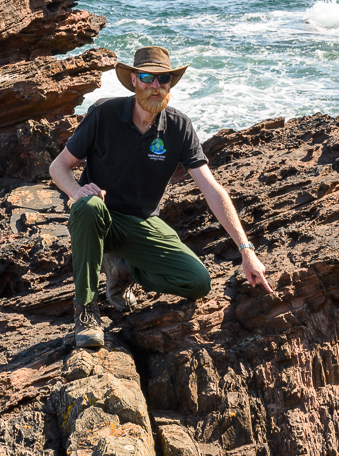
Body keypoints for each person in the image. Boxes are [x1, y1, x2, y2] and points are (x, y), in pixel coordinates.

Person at [49, 46, 273, 348]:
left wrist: (246, 250)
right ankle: (87, 311)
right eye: (147, 77)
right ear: (134, 80)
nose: (155, 86)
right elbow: (58, 166)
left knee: (197, 282)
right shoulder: (104, 114)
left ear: (170, 83)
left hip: (142, 223)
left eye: (163, 79)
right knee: (88, 206)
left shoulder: (179, 127)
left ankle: (124, 269)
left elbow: (211, 189)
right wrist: (78, 191)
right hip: (96, 220)